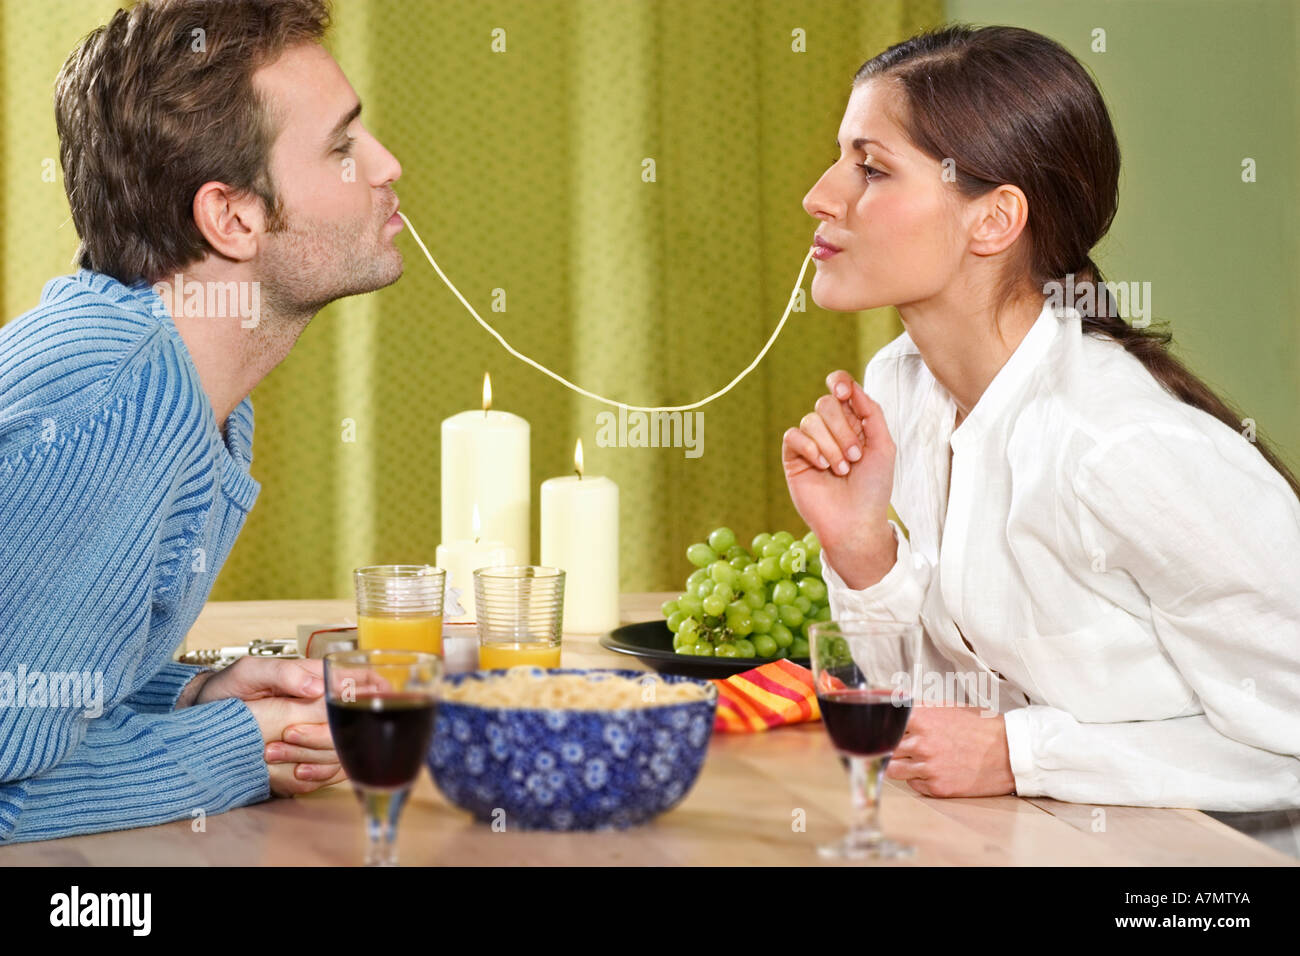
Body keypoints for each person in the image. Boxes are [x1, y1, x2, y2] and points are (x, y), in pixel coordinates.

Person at [783, 24, 1300, 829]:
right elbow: (933, 719)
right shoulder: (901, 391)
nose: (820, 195)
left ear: (994, 221)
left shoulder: (1122, 447)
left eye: (872, 168)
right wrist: (862, 550)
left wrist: (1024, 755)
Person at [0, 0, 403, 842]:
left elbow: (39, 689)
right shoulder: (114, 408)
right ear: (231, 218)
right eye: (341, 148)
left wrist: (186, 692)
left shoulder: (183, 389)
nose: (388, 165)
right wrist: (239, 749)